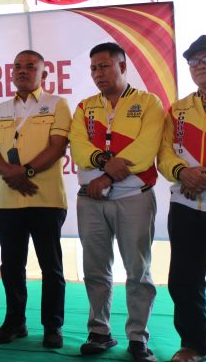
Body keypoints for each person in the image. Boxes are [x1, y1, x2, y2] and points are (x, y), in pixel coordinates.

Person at [69, 42, 163, 362]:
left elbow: (146, 148)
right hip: (91, 199)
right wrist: (102, 162)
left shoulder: (148, 103)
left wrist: (106, 177)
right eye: (93, 68)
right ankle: (99, 331)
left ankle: (138, 337)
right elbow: (78, 146)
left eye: (104, 66)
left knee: (138, 271)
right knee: (95, 269)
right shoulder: (85, 107)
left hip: (134, 198)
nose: (98, 73)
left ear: (122, 67)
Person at [0, 50, 70, 348]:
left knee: (51, 267)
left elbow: (58, 146)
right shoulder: (0, 109)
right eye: (18, 66)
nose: (23, 71)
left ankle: (52, 326)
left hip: (45, 197)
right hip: (9, 198)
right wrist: (11, 174)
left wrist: (26, 171)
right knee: (11, 266)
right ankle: (15, 322)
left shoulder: (57, 104)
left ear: (44, 74)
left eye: (31, 67)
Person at [158, 35, 206, 362]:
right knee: (183, 281)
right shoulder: (177, 109)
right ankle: (194, 345)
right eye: (195, 61)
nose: (201, 65)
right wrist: (182, 172)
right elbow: (164, 152)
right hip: (185, 205)